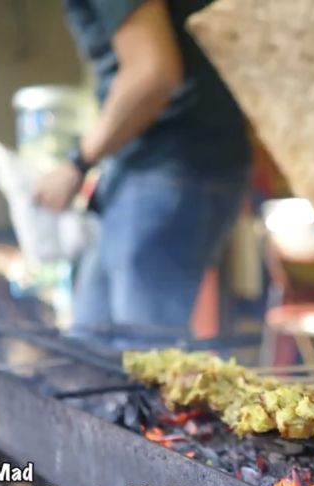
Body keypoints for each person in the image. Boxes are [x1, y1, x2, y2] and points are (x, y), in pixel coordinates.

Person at [35, 0, 251, 329]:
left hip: (170, 165)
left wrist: (77, 164)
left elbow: (152, 72)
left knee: (144, 359)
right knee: (94, 346)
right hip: (155, 166)